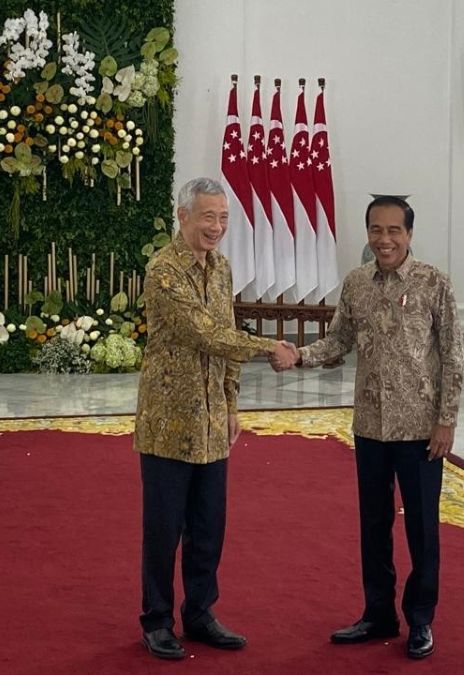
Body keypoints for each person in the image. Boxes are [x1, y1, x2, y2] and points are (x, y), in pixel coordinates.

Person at [271, 195, 464, 660]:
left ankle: (420, 620)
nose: (385, 239)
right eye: (376, 230)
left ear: (410, 234)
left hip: (420, 430)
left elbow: (454, 355)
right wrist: (300, 356)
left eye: (394, 230)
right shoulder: (357, 283)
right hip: (371, 427)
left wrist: (446, 420)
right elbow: (339, 339)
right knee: (373, 525)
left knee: (421, 529)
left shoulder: (433, 283)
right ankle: (378, 613)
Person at [135, 177, 299, 660]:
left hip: (211, 423)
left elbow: (224, 337)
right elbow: (206, 334)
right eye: (208, 216)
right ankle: (157, 620)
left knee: (209, 527)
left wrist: (231, 403)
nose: (217, 227)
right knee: (164, 530)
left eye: (223, 218)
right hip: (168, 423)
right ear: (182, 216)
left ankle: (200, 613)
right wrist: (269, 345)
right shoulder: (163, 270)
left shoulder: (222, 268)